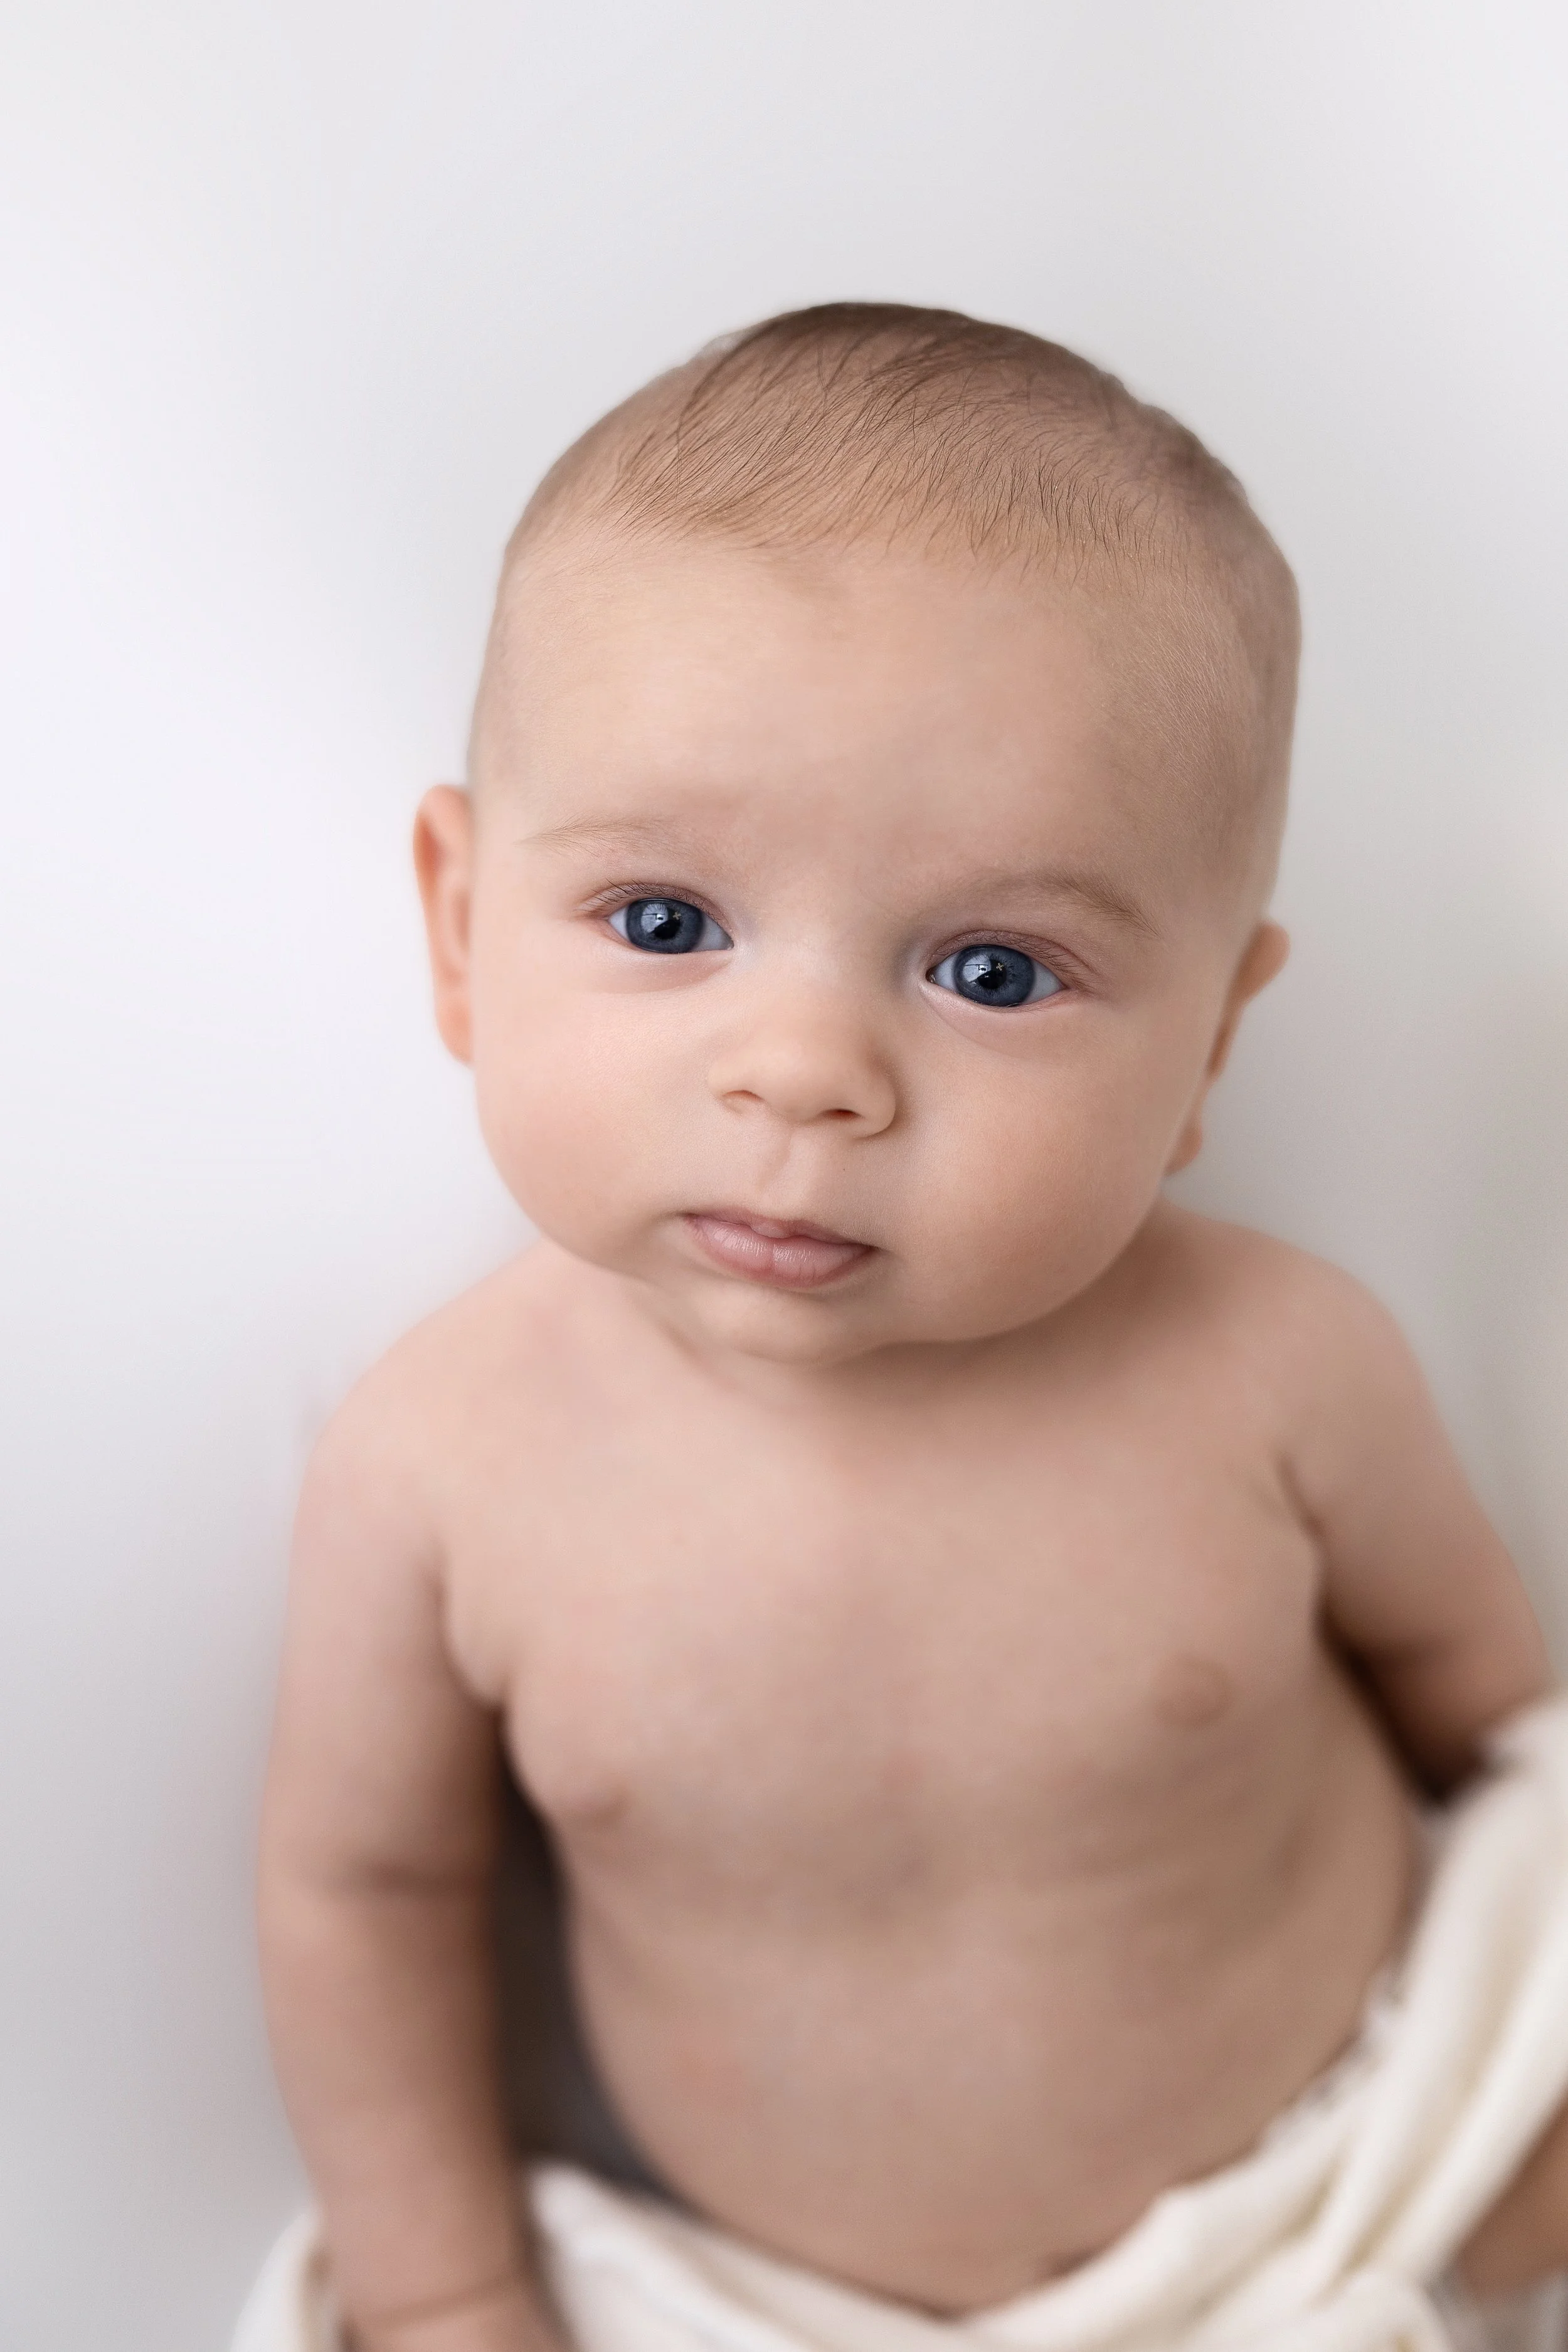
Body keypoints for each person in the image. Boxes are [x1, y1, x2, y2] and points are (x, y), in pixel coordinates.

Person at [255, 306, 1568, 2352]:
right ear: (457, 928)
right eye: (668, 922)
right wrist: (442, 2291)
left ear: (1208, 1037)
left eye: (989, 966)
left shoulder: (1274, 1360)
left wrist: (1495, 2145)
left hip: (1348, 2195)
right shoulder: (441, 1463)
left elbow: (1510, 1734)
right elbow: (369, 1895)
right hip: (768, 2303)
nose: (804, 1074)